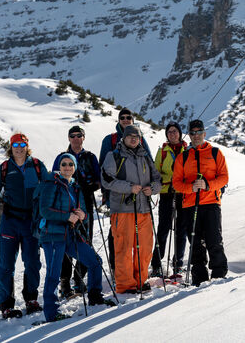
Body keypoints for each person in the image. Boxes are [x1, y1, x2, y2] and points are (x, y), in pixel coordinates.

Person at [0, 133, 48, 319]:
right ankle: (6, 305)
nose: (19, 147)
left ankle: (31, 299)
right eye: (15, 144)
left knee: (32, 261)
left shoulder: (38, 166)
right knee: (6, 264)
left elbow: (49, 188)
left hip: (31, 221)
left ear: (27, 146)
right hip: (10, 221)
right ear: (11, 146)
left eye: (22, 144)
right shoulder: (5, 168)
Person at [39, 153, 112, 322]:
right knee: (53, 274)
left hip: (71, 235)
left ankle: (95, 296)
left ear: (75, 167)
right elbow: (45, 210)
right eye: (64, 164)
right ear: (58, 166)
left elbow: (84, 212)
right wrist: (67, 216)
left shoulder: (75, 187)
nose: (67, 167)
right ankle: (51, 313)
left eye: (70, 164)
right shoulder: (51, 184)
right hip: (52, 235)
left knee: (95, 261)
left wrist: (82, 215)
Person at [101, 125, 161, 294]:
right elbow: (106, 179)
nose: (133, 139)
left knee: (145, 247)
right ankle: (126, 285)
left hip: (144, 209)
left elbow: (157, 178)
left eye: (136, 136)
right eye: (130, 136)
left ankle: (141, 281)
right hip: (122, 209)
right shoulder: (114, 156)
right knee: (124, 248)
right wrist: (129, 187)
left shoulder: (145, 156)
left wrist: (153, 188)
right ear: (124, 138)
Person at [172, 119, 229, 286]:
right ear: (189, 135)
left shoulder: (215, 153)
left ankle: (219, 274)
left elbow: (224, 177)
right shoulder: (183, 157)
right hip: (190, 205)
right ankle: (199, 278)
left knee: (214, 239)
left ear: (204, 134)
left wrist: (207, 185)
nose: (196, 135)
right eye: (193, 132)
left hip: (211, 203)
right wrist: (191, 188)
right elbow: (176, 183)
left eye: (199, 132)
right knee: (195, 243)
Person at [99, 108, 153, 273]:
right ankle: (118, 269)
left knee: (140, 235)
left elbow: (149, 162)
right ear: (118, 120)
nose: (125, 119)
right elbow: (103, 168)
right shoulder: (110, 140)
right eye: (122, 117)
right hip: (117, 195)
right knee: (117, 233)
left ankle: (136, 270)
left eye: (128, 117)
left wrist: (150, 186)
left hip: (140, 197)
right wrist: (106, 193)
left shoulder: (140, 139)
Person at [52, 125, 101, 298]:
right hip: (66, 205)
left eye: (79, 135)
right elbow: (54, 179)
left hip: (85, 204)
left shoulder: (90, 157)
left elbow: (98, 179)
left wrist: (90, 187)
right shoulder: (62, 157)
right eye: (72, 136)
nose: (75, 138)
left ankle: (79, 278)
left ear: (83, 137)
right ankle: (65, 283)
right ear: (69, 138)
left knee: (85, 240)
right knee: (66, 243)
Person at [150, 122, 188, 277]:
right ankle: (157, 265)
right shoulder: (162, 151)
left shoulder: (187, 150)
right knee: (163, 230)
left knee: (181, 230)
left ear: (179, 133)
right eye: (170, 132)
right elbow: (155, 173)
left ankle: (178, 264)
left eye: (175, 131)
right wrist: (164, 181)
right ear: (167, 135)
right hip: (166, 193)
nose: (172, 134)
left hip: (183, 194)